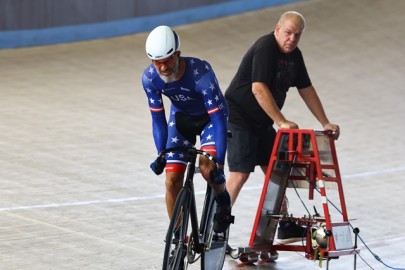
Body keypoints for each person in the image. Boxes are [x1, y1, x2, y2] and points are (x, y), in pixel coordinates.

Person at [224, 11, 340, 245]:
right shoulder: (266, 47)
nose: (292, 39)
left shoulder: (295, 56)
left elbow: (306, 89)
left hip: (262, 121)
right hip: (239, 115)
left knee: (277, 173)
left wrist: (325, 122)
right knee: (240, 173)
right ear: (277, 29)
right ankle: (216, 224)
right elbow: (258, 89)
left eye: (297, 35)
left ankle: (283, 224)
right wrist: (282, 121)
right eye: (288, 33)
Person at [142, 25, 234, 233]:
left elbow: (219, 121)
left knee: (207, 169)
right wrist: (161, 154)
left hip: (210, 119)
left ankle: (223, 199)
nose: (163, 67)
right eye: (157, 62)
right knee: (172, 180)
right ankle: (177, 238)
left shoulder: (201, 75)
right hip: (181, 118)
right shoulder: (150, 79)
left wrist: (219, 165)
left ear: (178, 55)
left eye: (167, 60)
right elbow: (158, 119)